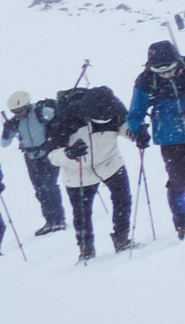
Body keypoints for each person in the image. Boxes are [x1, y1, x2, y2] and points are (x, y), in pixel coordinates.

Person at [46, 84, 135, 260]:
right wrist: (69, 153)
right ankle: (86, 250)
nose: (103, 122)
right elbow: (52, 155)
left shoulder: (113, 107)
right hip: (77, 172)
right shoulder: (64, 119)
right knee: (82, 214)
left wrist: (135, 134)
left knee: (123, 200)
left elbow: (124, 126)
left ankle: (122, 238)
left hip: (110, 162)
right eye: (98, 120)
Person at [126, 42, 185, 237]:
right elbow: (135, 113)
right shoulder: (146, 81)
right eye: (159, 71)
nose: (166, 74)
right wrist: (139, 130)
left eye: (170, 69)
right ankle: (183, 222)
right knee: (178, 182)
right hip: (170, 138)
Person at [6, 91, 68, 235]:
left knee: (49, 185)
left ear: (27, 105)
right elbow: (4, 143)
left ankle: (59, 219)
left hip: (48, 153)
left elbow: (61, 121)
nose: (17, 114)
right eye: (14, 111)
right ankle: (49, 220)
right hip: (30, 157)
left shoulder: (42, 112)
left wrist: (55, 140)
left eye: (19, 110)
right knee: (39, 189)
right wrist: (6, 130)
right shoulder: (16, 121)